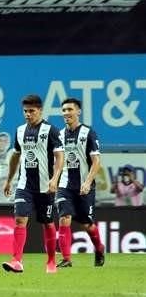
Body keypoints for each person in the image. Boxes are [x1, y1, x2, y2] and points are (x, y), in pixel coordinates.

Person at [2, 95, 64, 274]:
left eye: (31, 111)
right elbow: (16, 156)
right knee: (20, 220)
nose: (28, 115)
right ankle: (16, 261)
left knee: (47, 223)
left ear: (40, 111)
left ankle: (51, 261)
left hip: (46, 186)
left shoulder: (51, 130)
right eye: (25, 111)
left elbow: (60, 156)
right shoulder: (20, 131)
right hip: (25, 186)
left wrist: (55, 179)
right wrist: (9, 180)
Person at [55, 98, 105, 268]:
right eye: (63, 110)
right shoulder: (59, 135)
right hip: (65, 185)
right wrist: (53, 179)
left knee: (87, 224)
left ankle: (99, 248)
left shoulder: (88, 133)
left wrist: (88, 182)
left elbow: (96, 161)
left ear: (78, 112)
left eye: (69, 109)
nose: (66, 113)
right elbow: (57, 161)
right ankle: (66, 259)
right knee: (64, 218)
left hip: (85, 187)